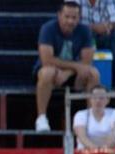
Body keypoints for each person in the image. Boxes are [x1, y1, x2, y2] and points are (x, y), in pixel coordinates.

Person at [34, 1, 98, 132]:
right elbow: (47, 60)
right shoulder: (48, 28)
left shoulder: (85, 31)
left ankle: (91, 119)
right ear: (59, 15)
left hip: (74, 74)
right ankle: (41, 117)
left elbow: (87, 61)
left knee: (93, 73)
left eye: (74, 18)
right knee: (47, 73)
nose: (70, 21)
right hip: (52, 71)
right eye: (67, 17)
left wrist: (67, 73)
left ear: (79, 18)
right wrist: (72, 68)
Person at [77, 0, 115, 87]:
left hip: (104, 34)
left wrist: (108, 26)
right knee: (84, 34)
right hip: (83, 35)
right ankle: (84, 78)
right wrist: (94, 27)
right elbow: (72, 23)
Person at [73, 84, 115, 150]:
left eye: (101, 98)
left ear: (108, 100)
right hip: (85, 152)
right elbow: (82, 136)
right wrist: (95, 149)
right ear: (90, 99)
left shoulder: (114, 113)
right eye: (94, 97)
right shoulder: (80, 114)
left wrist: (104, 149)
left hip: (107, 151)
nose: (98, 100)